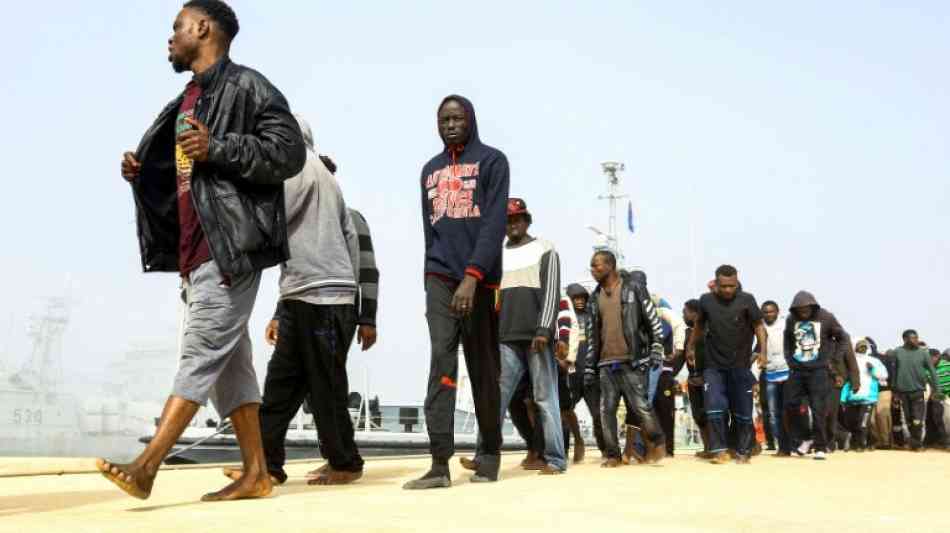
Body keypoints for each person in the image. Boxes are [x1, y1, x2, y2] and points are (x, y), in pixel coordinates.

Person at [98, 0, 305, 501]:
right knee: (230, 370)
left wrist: (220, 148)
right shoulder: (187, 98)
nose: (170, 37)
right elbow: (190, 178)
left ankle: (148, 466)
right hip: (195, 254)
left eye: (177, 27)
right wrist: (144, 171)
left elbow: (288, 151)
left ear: (202, 27)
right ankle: (256, 474)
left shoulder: (247, 86)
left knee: (198, 356)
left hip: (228, 247)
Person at [221, 117, 363, 488]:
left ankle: (344, 462)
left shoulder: (299, 166)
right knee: (281, 386)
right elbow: (348, 239)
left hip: (322, 297)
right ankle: (265, 465)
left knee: (325, 385)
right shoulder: (325, 176)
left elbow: (270, 218)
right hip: (310, 293)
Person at [405, 95, 509, 489]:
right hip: (440, 277)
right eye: (443, 119)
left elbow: (494, 223)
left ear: (471, 120)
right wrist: (432, 275)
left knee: (483, 369)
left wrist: (473, 275)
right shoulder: (429, 170)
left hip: (480, 281)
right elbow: (428, 228)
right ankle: (438, 464)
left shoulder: (492, 161)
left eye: (457, 118)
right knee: (441, 366)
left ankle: (489, 456)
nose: (450, 124)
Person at [491, 198, 566, 475]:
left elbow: (552, 293)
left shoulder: (545, 249)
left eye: (518, 218)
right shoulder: (497, 255)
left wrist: (545, 329)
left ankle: (556, 459)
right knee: (496, 399)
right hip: (505, 337)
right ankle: (485, 454)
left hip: (537, 336)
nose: (513, 224)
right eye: (509, 220)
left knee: (545, 399)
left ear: (528, 220)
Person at [584, 250, 667, 468]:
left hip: (632, 361)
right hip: (605, 363)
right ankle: (613, 455)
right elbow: (592, 335)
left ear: (610, 265)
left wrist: (657, 346)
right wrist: (589, 367)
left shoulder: (634, 288)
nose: (593, 270)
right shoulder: (594, 298)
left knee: (641, 406)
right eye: (591, 266)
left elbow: (653, 321)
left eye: (597, 265)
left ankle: (658, 442)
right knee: (606, 410)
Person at [686, 265, 767, 465]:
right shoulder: (706, 300)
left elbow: (758, 326)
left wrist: (762, 351)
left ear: (737, 282)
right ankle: (718, 451)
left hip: (740, 365)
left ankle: (743, 450)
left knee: (742, 409)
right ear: (716, 283)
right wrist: (690, 347)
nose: (728, 290)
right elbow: (699, 326)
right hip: (713, 366)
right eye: (723, 286)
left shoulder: (747, 300)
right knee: (714, 407)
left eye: (732, 285)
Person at [783, 291, 858, 460]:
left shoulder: (826, 317)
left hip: (819, 370)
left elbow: (843, 338)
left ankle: (820, 446)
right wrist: (789, 359)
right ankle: (806, 437)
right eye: (799, 309)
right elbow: (787, 339)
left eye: (806, 309)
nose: (803, 312)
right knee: (792, 405)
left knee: (819, 409)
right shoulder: (791, 319)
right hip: (798, 369)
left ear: (812, 306)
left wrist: (833, 359)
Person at [558, 283, 605, 460]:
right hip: (570, 373)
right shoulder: (564, 318)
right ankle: (565, 449)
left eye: (582, 298)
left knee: (598, 415)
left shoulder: (594, 318)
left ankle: (606, 450)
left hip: (592, 374)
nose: (579, 301)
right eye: (575, 298)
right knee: (565, 412)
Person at [892, 330, 943, 451]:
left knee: (917, 419)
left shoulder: (923, 353)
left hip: (918, 390)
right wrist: (894, 391)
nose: (915, 340)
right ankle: (915, 443)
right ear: (905, 339)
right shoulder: (897, 352)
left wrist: (937, 389)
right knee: (909, 419)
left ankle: (917, 443)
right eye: (912, 338)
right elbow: (894, 372)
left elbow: (932, 371)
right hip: (903, 391)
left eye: (916, 338)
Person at [840, 339, 888, 452]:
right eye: (860, 346)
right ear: (855, 347)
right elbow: (846, 381)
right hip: (851, 398)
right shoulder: (850, 361)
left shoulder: (874, 361)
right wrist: (843, 397)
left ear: (867, 348)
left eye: (864, 346)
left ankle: (861, 445)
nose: (862, 348)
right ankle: (869, 441)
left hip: (868, 398)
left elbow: (884, 375)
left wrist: (872, 369)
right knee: (852, 423)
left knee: (863, 423)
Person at [759, 301, 791, 456]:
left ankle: (796, 442)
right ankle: (783, 447)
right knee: (773, 413)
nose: (768, 315)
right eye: (765, 312)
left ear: (777, 311)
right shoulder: (759, 327)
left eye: (771, 312)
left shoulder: (786, 324)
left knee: (789, 410)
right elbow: (757, 348)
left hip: (787, 372)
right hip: (770, 375)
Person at [683, 299, 711, 457]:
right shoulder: (687, 333)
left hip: (707, 377)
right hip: (693, 379)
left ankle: (716, 447)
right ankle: (707, 448)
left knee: (710, 413)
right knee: (698, 415)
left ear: (694, 313)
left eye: (685, 312)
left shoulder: (707, 331)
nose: (683, 315)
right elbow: (682, 358)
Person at [867, 338, 896, 449]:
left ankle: (886, 441)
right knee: (872, 418)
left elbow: (891, 375)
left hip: (884, 391)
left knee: (882, 415)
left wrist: (894, 391)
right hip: (869, 392)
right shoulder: (861, 359)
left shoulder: (884, 358)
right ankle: (877, 441)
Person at [923, 349, 949, 450]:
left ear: (938, 356)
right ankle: (941, 441)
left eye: (932, 358)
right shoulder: (926, 369)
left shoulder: (947, 365)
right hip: (936, 397)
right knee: (935, 418)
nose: (930, 360)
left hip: (947, 396)